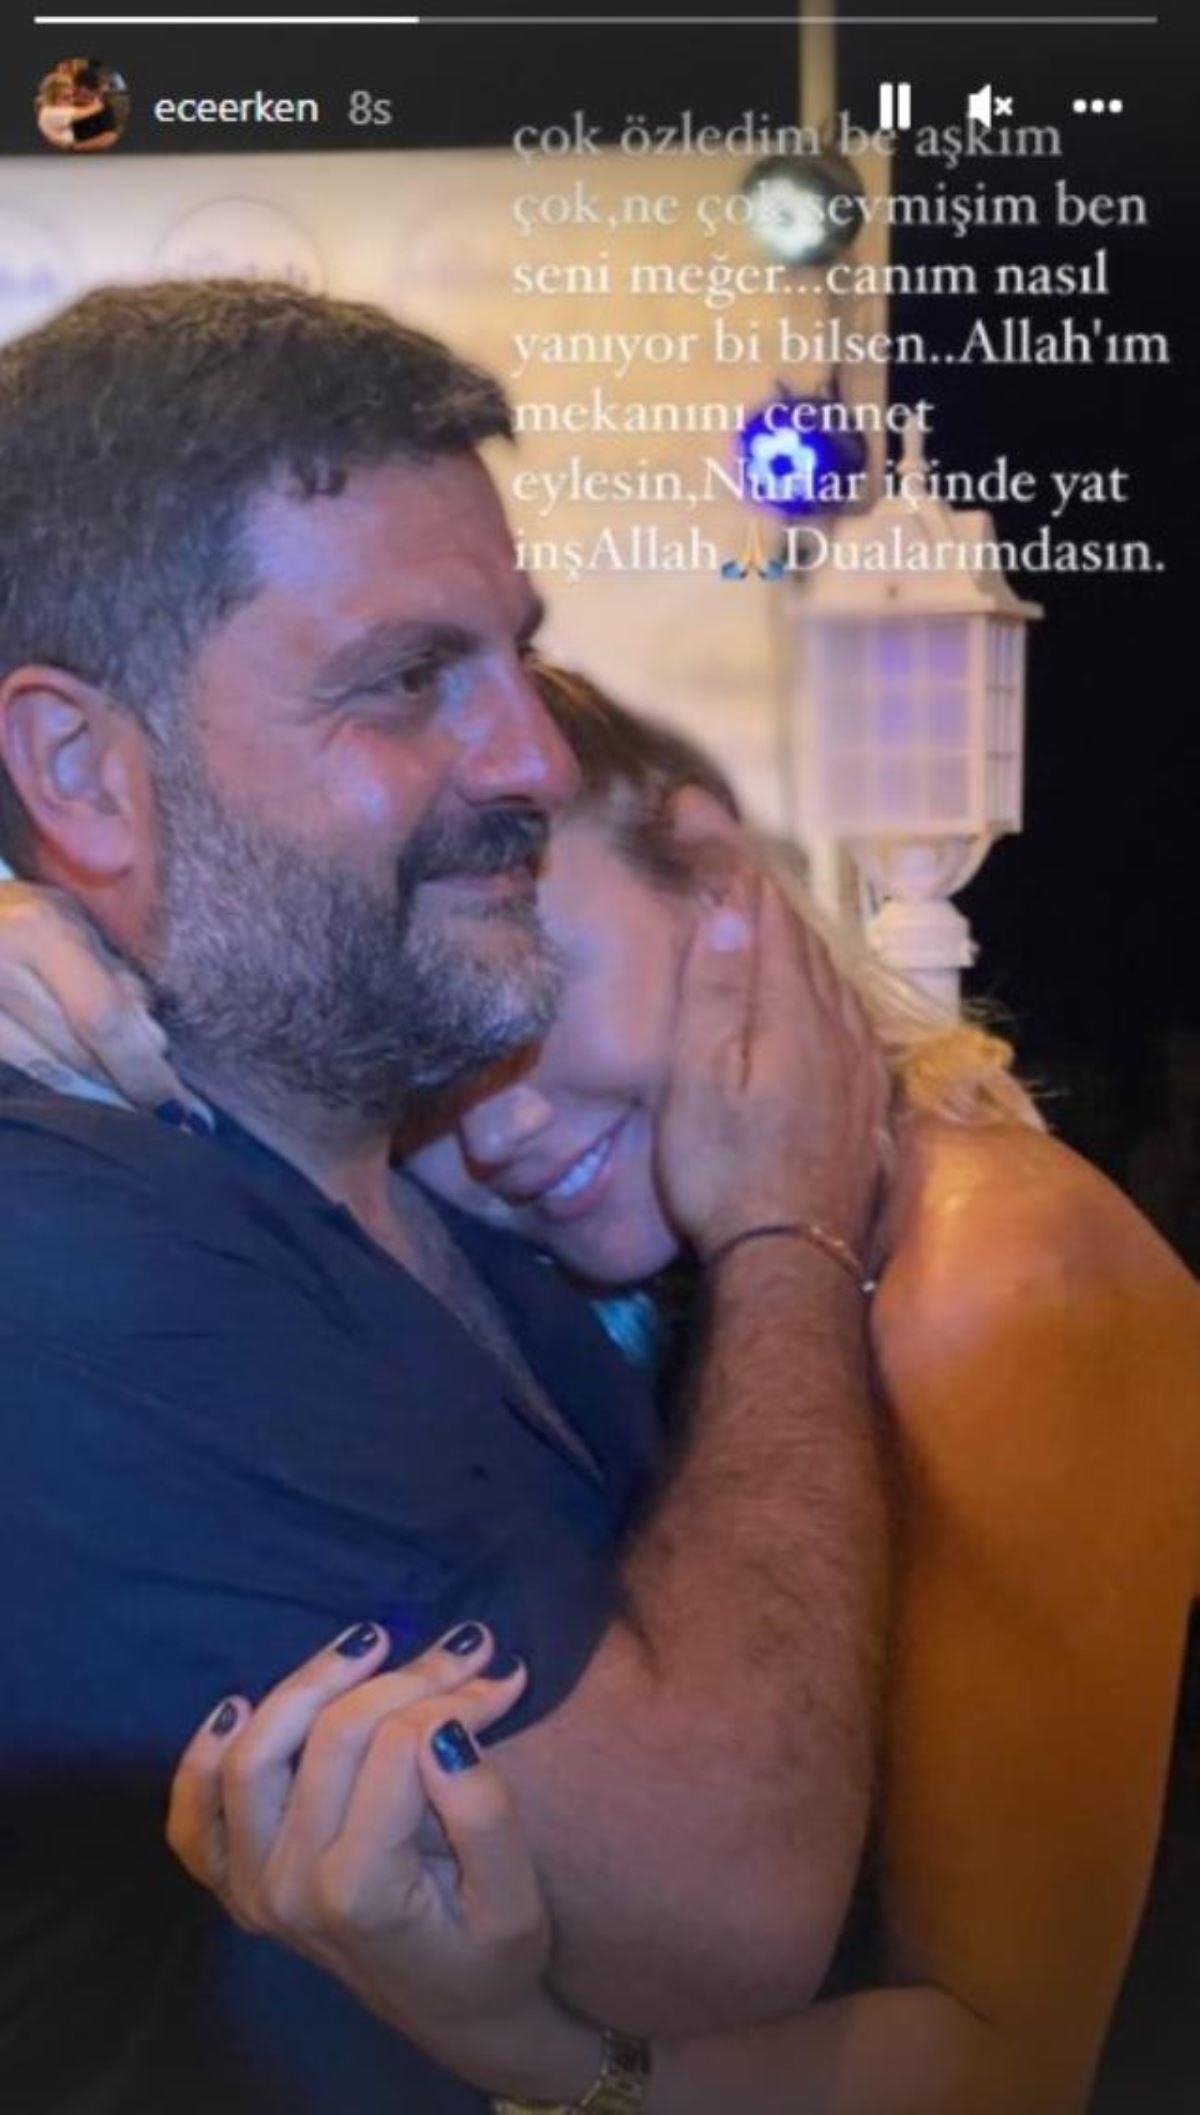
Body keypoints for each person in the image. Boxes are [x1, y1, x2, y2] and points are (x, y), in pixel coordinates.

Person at [4, 666, 1198, 2111]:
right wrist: (43, 938)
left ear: (711, 876)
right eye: (419, 1073)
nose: (499, 1124)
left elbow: (1012, 2070)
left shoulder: (997, 1277)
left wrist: (530, 2051)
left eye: (534, 993)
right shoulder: (585, 1290)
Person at [0, 281, 888, 2114]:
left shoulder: (429, 1162)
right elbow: (724, 1908)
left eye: (514, 656)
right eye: (409, 679)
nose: (536, 759)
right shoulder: (72, 1262)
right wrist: (787, 1234)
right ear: (83, 772)